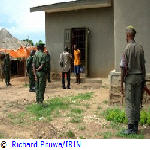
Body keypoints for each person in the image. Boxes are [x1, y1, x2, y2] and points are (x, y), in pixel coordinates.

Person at [120, 25, 146, 134]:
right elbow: (143, 67)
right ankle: (136, 127)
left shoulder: (127, 48)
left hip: (130, 79)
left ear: (128, 35)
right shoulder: (140, 47)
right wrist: (144, 80)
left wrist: (121, 84)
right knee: (137, 102)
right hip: (140, 78)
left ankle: (130, 128)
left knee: (130, 103)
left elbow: (122, 67)